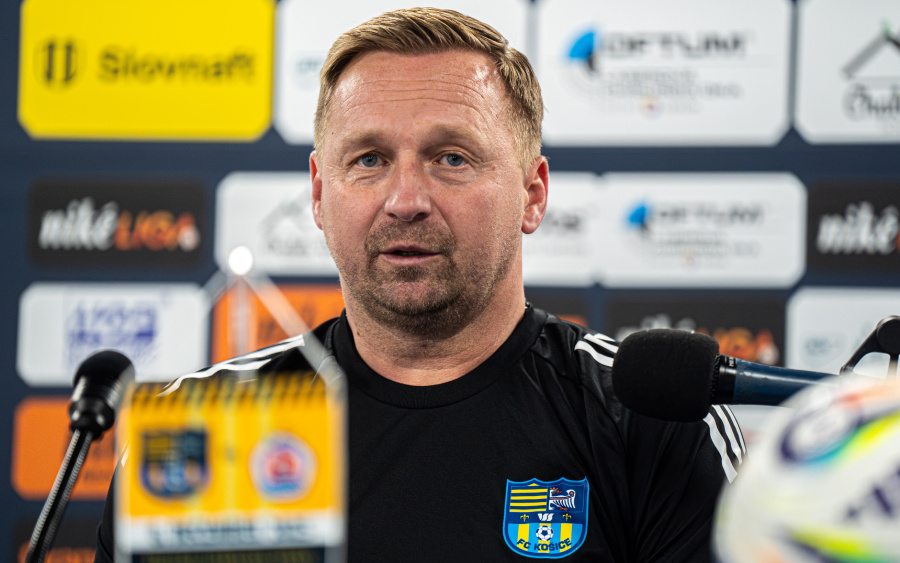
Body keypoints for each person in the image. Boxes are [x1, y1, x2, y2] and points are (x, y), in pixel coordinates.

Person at [95, 8, 744, 561]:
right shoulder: (197, 430)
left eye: (451, 158)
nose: (406, 200)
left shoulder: (651, 422)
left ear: (533, 193)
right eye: (369, 160)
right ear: (319, 194)